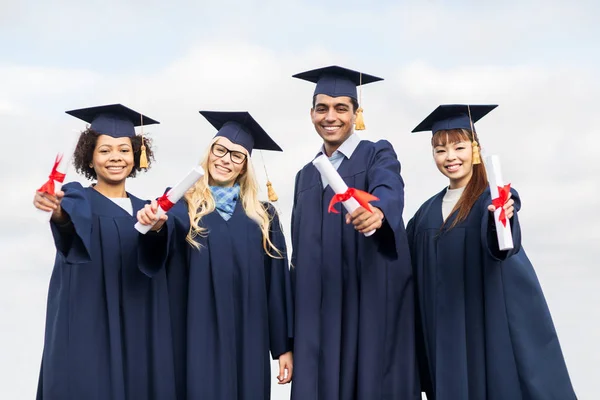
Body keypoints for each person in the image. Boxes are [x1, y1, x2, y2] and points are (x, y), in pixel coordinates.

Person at [408, 104, 577, 399]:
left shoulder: (493, 198)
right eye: (440, 150)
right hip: (442, 337)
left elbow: (502, 244)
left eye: (458, 147)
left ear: (475, 148)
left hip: (484, 328)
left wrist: (503, 215)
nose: (450, 158)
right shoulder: (424, 214)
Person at [136, 111, 293, 400]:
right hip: (196, 335)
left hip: (249, 337)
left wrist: (283, 347)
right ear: (209, 153)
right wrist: (156, 226)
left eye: (236, 155)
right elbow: (158, 253)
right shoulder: (181, 205)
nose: (225, 159)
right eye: (220, 150)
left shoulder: (263, 216)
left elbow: (276, 285)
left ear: (245, 167)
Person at [290, 66, 418, 400]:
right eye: (322, 108)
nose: (330, 116)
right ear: (312, 113)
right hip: (317, 317)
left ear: (356, 114)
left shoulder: (376, 153)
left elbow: (389, 188)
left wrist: (377, 213)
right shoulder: (304, 177)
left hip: (363, 309)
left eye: (341, 108)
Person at [33, 104, 177, 399]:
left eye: (124, 150)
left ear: (137, 155)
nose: (115, 157)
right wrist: (57, 210)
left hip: (137, 330)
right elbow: (68, 226)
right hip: (87, 329)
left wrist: (158, 228)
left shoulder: (148, 210)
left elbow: (156, 260)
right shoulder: (77, 197)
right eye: (105, 150)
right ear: (90, 155)